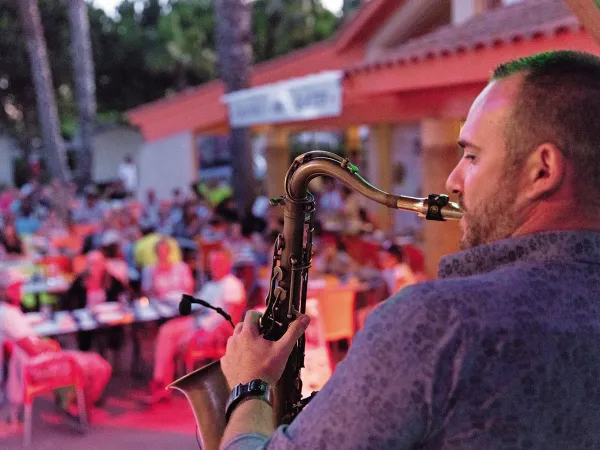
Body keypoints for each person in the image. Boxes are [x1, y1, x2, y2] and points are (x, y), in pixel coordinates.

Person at [218, 51, 600, 449]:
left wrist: (250, 385)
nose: (453, 180)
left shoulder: (439, 323)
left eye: (472, 156)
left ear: (542, 171)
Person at [0, 269, 111, 418]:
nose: (20, 291)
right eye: (15, 288)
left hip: (34, 363)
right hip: (37, 367)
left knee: (89, 360)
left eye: (19, 287)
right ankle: (82, 412)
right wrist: (49, 345)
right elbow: (32, 349)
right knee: (101, 367)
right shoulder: (9, 315)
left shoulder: (7, 312)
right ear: (4, 291)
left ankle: (71, 404)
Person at [146, 250, 245, 404]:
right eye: (212, 264)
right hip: (197, 322)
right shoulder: (210, 285)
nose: (213, 267)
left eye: (218, 263)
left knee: (176, 342)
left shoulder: (232, 285)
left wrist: (209, 333)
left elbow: (231, 318)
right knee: (166, 330)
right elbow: (196, 306)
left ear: (227, 265)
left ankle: (164, 386)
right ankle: (160, 382)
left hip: (212, 330)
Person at [66, 251, 126, 353]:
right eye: (92, 263)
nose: (95, 266)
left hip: (107, 317)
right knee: (85, 338)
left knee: (116, 332)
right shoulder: (80, 281)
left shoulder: (112, 280)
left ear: (104, 264)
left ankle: (113, 358)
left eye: (98, 263)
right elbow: (68, 300)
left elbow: (124, 295)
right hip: (87, 318)